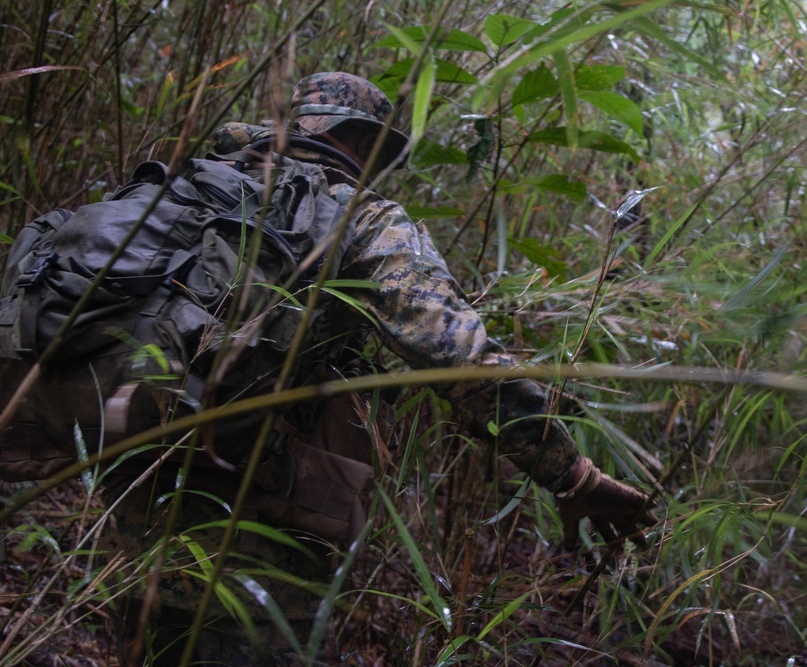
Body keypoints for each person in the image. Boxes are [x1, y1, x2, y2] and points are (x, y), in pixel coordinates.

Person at [100, 71, 656, 666]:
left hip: (127, 514)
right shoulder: (358, 214)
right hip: (251, 545)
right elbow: (455, 355)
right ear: (363, 144)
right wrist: (571, 474)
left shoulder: (184, 188)